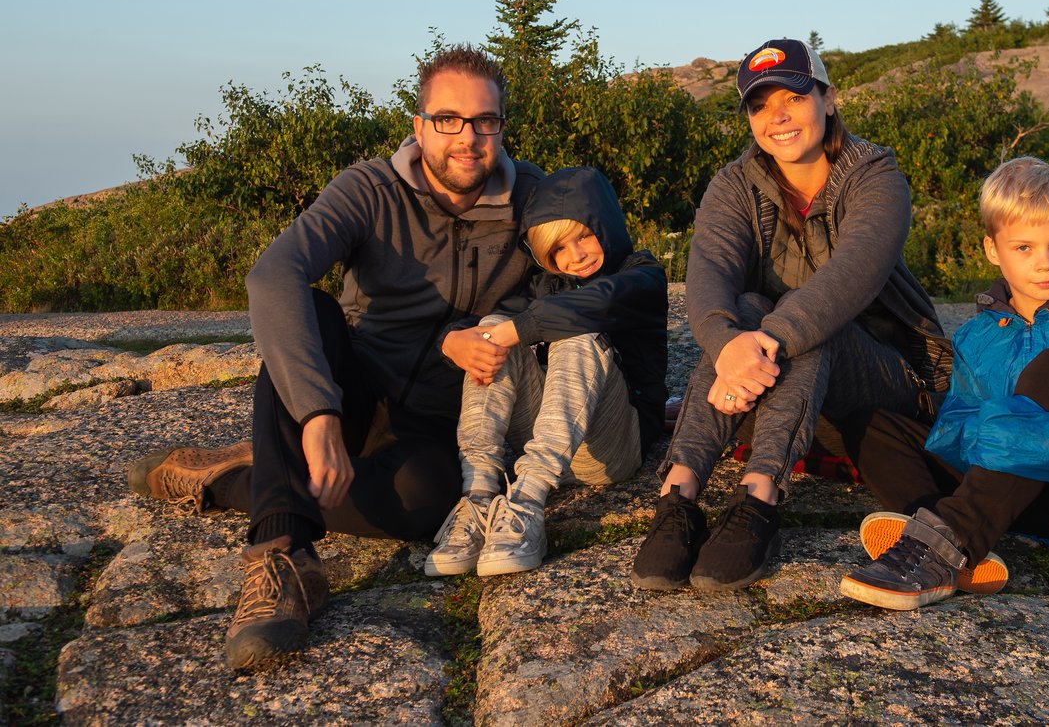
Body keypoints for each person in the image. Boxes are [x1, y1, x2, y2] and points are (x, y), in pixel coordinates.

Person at [126, 45, 544, 669]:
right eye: (449, 119)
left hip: (437, 417)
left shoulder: (534, 198)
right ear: (420, 125)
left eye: (485, 121)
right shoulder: (369, 189)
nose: (468, 137)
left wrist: (650, 409)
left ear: (502, 127)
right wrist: (319, 414)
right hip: (354, 385)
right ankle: (281, 557)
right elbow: (275, 275)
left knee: (430, 503)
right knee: (314, 313)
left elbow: (615, 273)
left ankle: (237, 476)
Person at [630, 38, 951, 592]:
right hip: (780, 392)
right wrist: (729, 342)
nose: (777, 116)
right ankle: (678, 498)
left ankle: (759, 497)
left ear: (827, 99)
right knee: (746, 311)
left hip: (888, 385)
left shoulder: (875, 175)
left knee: (804, 324)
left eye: (794, 98)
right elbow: (709, 278)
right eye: (760, 105)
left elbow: (849, 277)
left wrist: (762, 341)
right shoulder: (735, 186)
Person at [840, 156, 1049, 611]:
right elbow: (955, 429)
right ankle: (953, 541)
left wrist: (1017, 433)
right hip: (1014, 501)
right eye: (1024, 248)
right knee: (872, 424)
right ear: (992, 250)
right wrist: (1007, 434)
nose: (1046, 263)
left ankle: (943, 541)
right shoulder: (977, 336)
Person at [422, 166, 667, 578]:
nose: (575, 256)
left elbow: (600, 303)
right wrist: (454, 339)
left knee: (575, 334)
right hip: (548, 432)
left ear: (604, 224)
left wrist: (520, 328)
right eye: (558, 249)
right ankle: (479, 496)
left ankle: (527, 503)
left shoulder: (641, 274)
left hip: (612, 447)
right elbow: (495, 328)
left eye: (584, 235)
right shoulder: (547, 287)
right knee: (489, 330)